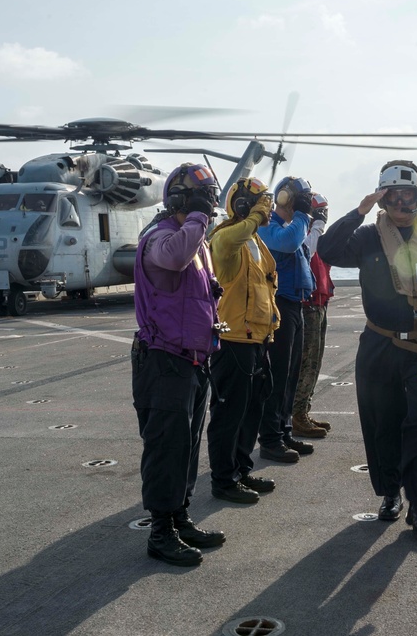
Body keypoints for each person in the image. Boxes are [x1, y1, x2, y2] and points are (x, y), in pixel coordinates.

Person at [318, 160, 417, 535]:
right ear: (384, 198)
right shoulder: (366, 237)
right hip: (379, 344)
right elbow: (327, 250)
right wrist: (360, 210)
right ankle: (390, 493)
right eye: (394, 196)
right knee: (382, 423)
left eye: (409, 195)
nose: (403, 203)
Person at [131, 163, 227, 567]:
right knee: (165, 447)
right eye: (200, 198)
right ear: (179, 200)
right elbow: (173, 260)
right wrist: (199, 216)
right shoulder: (160, 237)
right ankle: (160, 532)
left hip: (193, 359)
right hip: (163, 360)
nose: (206, 208)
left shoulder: (197, 239)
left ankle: (180, 516)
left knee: (186, 447)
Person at [206, 177, 281, 504]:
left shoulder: (255, 241)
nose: (266, 209)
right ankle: (223, 479)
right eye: (259, 203)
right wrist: (253, 217)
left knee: (252, 409)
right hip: (232, 339)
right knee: (228, 413)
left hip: (257, 339)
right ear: (241, 205)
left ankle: (241, 469)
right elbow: (226, 244)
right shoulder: (224, 236)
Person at [256, 177, 316, 461]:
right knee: (277, 373)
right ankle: (270, 439)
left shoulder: (293, 225)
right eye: (300, 199)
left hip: (294, 303)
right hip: (277, 304)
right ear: (285, 198)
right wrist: (304, 215)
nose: (304, 205)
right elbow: (290, 244)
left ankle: (284, 430)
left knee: (291, 373)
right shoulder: (269, 225)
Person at [291, 193, 335, 438]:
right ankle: (297, 414)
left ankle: (303, 410)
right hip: (307, 304)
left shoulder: (316, 236)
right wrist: (316, 225)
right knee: (306, 361)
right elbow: (305, 253)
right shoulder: (301, 236)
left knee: (314, 361)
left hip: (319, 302)